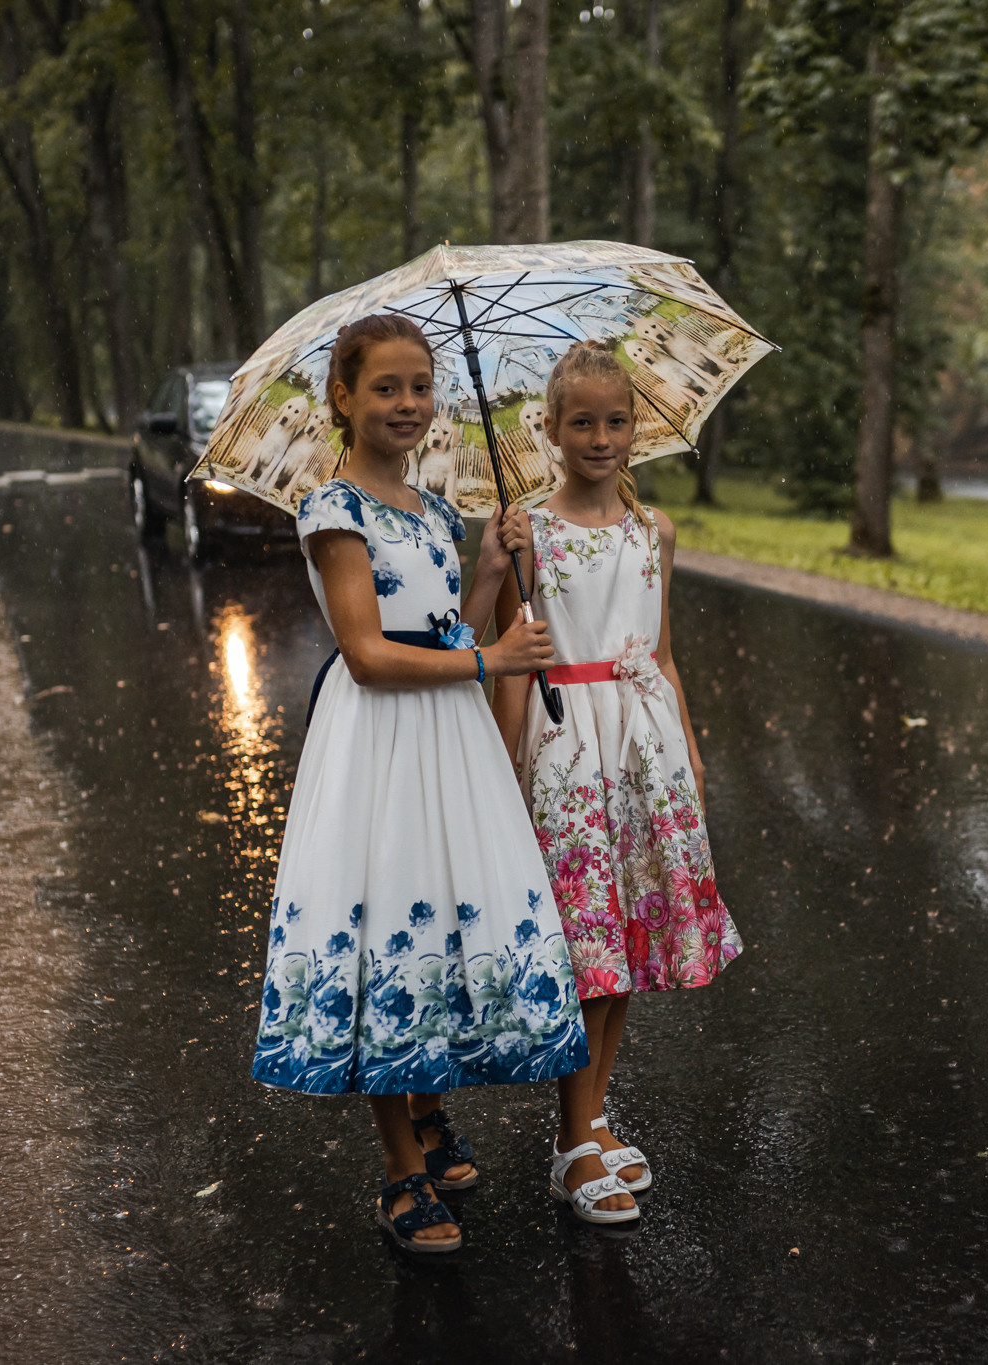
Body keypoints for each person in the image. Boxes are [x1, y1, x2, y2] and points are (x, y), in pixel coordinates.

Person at [252, 314, 588, 1253]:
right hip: (378, 740)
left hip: (447, 736)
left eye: (420, 386)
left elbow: (443, 627)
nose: (408, 404)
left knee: (439, 912)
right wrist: (493, 658)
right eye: (386, 388)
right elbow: (367, 653)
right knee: (383, 928)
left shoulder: (437, 511)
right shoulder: (334, 510)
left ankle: (430, 1115)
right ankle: (400, 1167)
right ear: (344, 399)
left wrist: (483, 577)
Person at [490, 338, 743, 1226]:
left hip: (644, 749)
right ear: (550, 429)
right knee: (583, 949)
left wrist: (693, 749)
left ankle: (593, 1111)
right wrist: (507, 773)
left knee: (628, 939)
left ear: (637, 428)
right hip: (566, 749)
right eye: (582, 421)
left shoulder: (654, 531)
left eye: (617, 419)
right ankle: (570, 1142)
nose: (601, 436)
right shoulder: (530, 532)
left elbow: (663, 653)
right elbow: (513, 666)